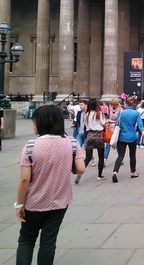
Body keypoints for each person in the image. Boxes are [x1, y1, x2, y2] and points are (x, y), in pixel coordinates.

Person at [15, 105, 86, 265]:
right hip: (60, 201)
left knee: (26, 239)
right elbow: (81, 168)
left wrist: (19, 203)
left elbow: (25, 179)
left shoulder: (31, 145)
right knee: (48, 241)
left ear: (41, 123)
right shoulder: (72, 143)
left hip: (34, 202)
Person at [112, 97, 144, 183]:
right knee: (132, 155)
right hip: (132, 137)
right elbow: (140, 125)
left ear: (125, 104)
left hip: (122, 136)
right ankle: (133, 172)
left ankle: (115, 171)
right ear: (133, 104)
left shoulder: (121, 113)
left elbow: (117, 124)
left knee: (121, 155)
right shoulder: (136, 113)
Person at [75, 99, 106, 183]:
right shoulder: (99, 113)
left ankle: (80, 173)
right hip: (98, 135)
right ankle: (100, 175)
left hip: (90, 135)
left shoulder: (86, 115)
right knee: (101, 156)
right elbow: (103, 123)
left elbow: (86, 125)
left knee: (88, 157)